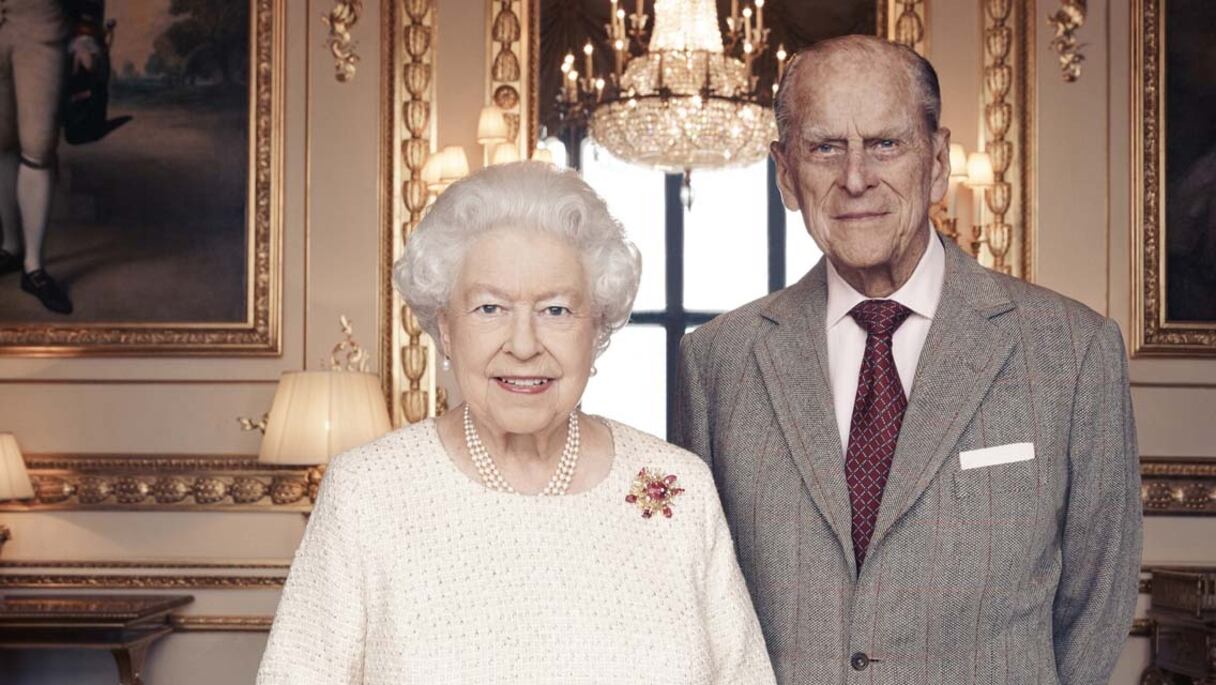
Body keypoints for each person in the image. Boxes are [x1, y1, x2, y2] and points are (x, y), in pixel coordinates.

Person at [674, 35, 1141, 684]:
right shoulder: (716, 361)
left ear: (939, 161)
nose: (856, 177)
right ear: (786, 173)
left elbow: (1098, 601)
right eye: (824, 146)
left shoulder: (1073, 351)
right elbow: (699, 597)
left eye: (885, 144)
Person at [257, 161, 776, 684]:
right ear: (445, 325)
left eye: (555, 311)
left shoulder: (679, 489)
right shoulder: (368, 492)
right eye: (489, 308)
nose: (524, 345)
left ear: (596, 327)